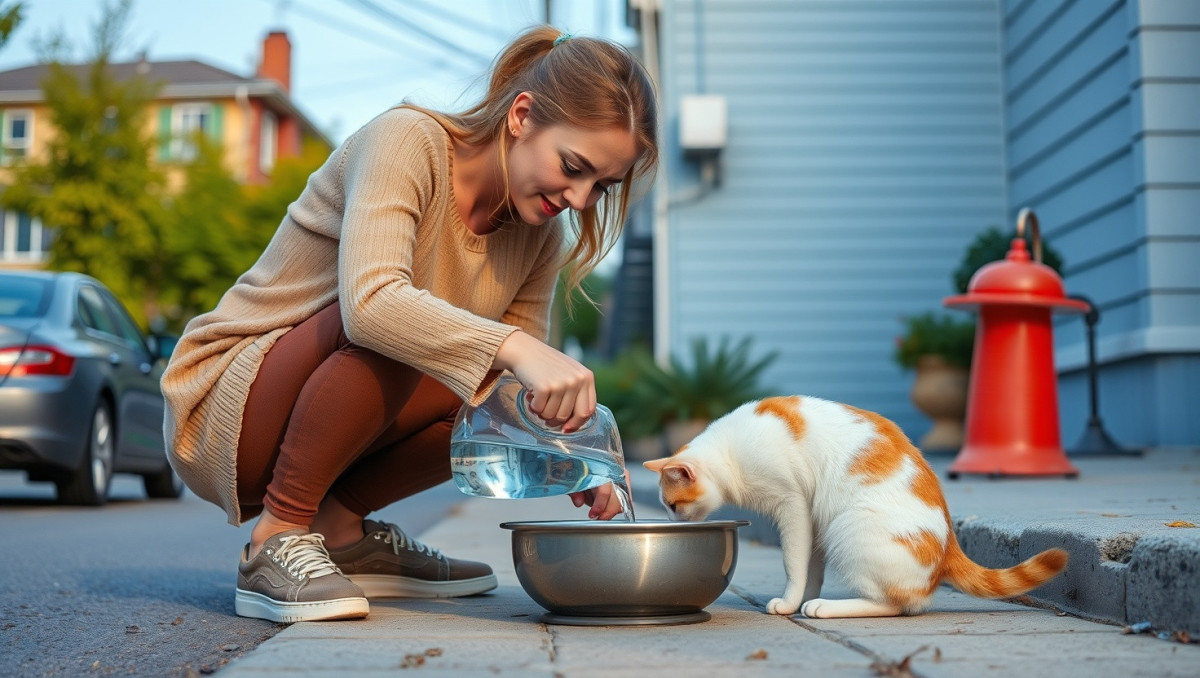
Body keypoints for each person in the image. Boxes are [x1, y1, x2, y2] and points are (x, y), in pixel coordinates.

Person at [160, 25, 659, 624]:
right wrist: (515, 346)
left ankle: (340, 530)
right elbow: (371, 306)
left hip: (326, 411)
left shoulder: (539, 237)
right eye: (573, 167)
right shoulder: (407, 141)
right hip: (228, 402)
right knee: (406, 326)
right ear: (522, 116)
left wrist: (575, 452)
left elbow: (507, 393)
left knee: (490, 389)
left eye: (600, 186)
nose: (580, 200)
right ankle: (277, 536)